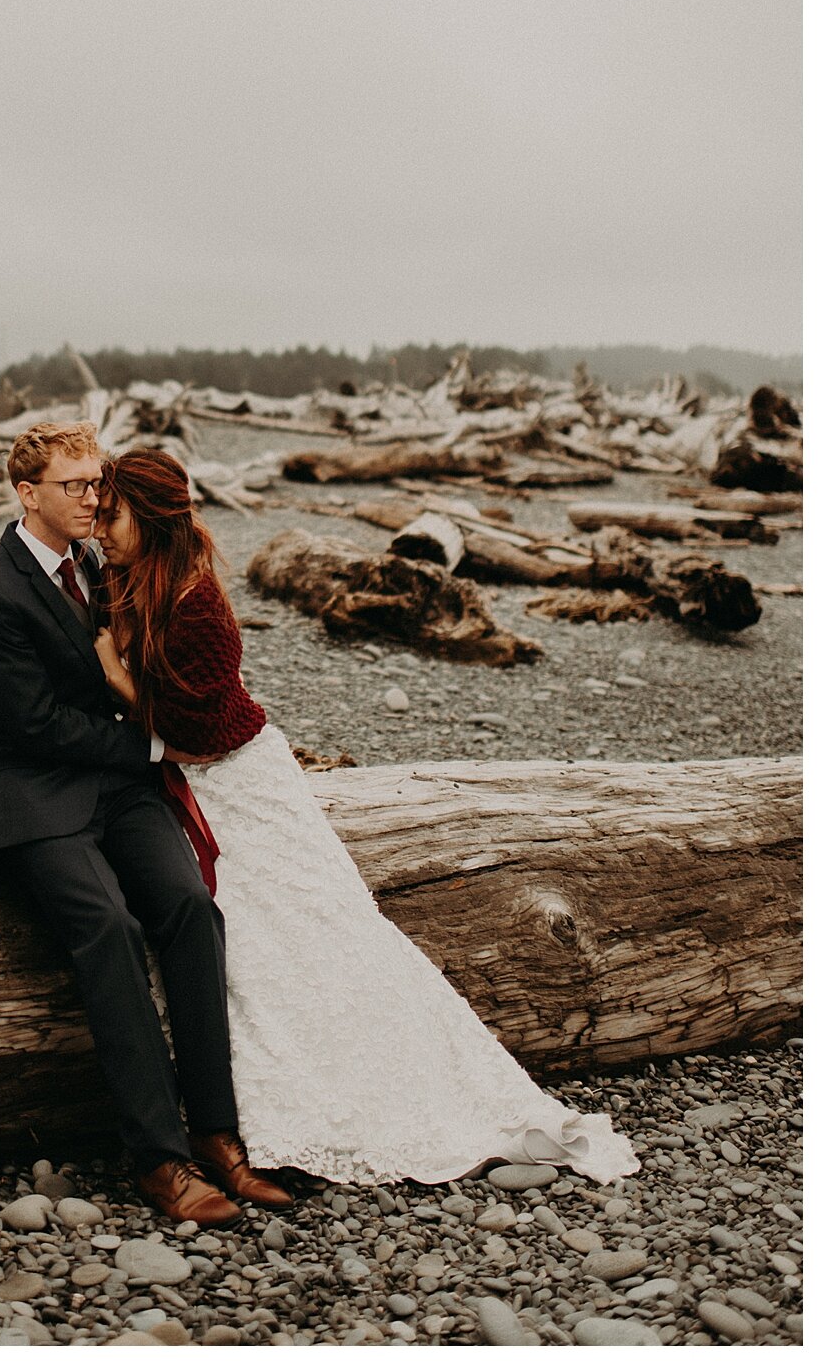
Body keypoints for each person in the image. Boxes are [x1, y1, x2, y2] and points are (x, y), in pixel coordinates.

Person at [93, 447, 640, 1188]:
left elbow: (195, 733)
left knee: (315, 932)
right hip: (187, 786)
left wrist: (116, 675)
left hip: (239, 783)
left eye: (112, 511)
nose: (99, 523)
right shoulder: (126, 581)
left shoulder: (200, 606)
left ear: (151, 518)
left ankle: (372, 1090)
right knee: (248, 948)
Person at [0, 420, 291, 1225]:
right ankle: (158, 1159)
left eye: (98, 482)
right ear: (27, 495)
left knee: (193, 910)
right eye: (75, 485)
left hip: (119, 788)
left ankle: (217, 1134)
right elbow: (32, 726)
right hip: (35, 792)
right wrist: (151, 743)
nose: (95, 497)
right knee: (107, 927)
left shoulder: (102, 563)